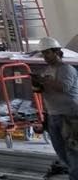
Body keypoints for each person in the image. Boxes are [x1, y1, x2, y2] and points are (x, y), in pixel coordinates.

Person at [32, 37, 78, 180]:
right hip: (53, 115)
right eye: (43, 53)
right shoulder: (48, 70)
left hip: (69, 116)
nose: (45, 56)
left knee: (72, 150)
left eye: (47, 53)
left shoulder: (66, 69)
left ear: (57, 52)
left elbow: (63, 87)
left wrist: (43, 80)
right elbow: (43, 91)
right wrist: (37, 84)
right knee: (60, 149)